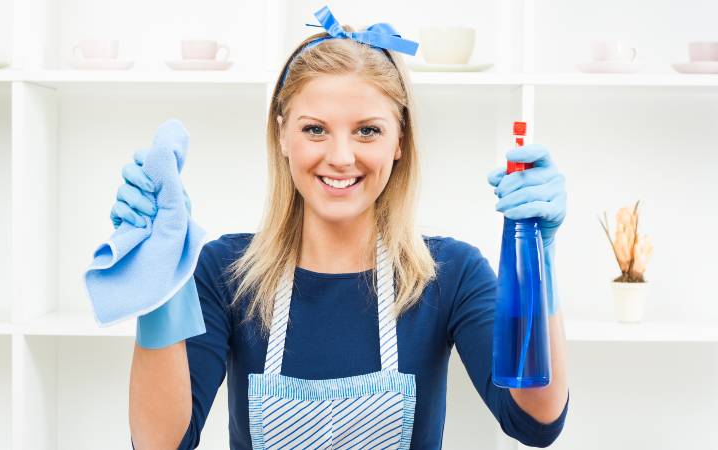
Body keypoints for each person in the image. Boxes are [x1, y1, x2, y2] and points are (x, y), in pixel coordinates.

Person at [120, 6, 569, 450]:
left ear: (399, 140)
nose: (340, 156)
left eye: (368, 131)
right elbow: (161, 443)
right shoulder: (226, 273)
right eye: (314, 129)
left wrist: (536, 265)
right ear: (281, 135)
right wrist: (159, 284)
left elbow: (534, 421)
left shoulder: (450, 275)